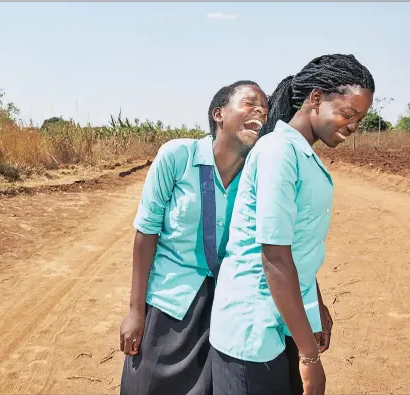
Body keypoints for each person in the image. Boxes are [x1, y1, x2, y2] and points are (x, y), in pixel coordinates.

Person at [209, 54, 376, 395]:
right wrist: (311, 358)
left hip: (280, 321)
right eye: (347, 113)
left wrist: (317, 306)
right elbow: (274, 257)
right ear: (316, 98)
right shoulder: (278, 152)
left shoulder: (298, 153)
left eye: (360, 118)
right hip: (252, 331)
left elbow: (297, 246)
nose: (353, 126)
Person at [118, 80, 269, 395]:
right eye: (250, 102)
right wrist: (136, 310)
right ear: (219, 114)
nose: (260, 111)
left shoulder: (259, 172)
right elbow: (146, 234)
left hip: (228, 304)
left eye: (264, 108)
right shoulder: (178, 156)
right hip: (171, 300)